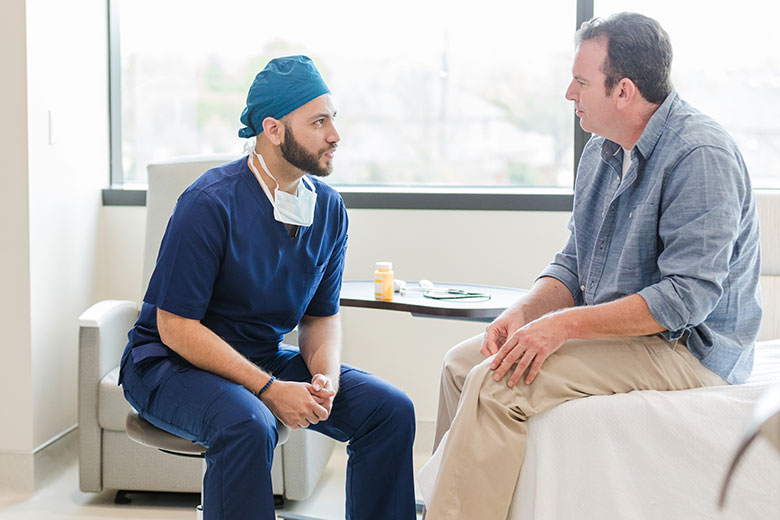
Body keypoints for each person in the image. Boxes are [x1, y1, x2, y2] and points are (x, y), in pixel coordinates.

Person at [423, 12, 762, 520]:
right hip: (624, 337)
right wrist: (526, 313)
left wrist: (560, 327)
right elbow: (575, 262)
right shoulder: (602, 152)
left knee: (498, 383)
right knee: (460, 365)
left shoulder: (700, 154)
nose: (568, 93)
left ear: (623, 91)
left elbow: (686, 299)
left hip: (686, 349)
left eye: (581, 82)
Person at [119, 55, 417, 520]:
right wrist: (270, 388)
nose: (335, 135)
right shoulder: (208, 203)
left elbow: (321, 316)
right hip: (168, 363)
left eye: (333, 120)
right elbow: (175, 327)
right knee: (248, 423)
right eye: (319, 122)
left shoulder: (329, 211)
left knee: (390, 411)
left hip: (258, 355)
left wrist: (325, 376)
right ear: (274, 129)